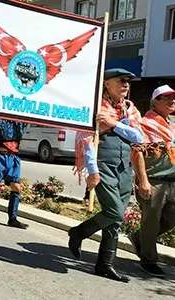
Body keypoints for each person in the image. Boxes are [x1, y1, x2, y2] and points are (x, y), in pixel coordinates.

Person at [69, 68, 143, 283]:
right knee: (114, 212)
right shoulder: (97, 108)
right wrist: (92, 171)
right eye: (121, 80)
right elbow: (87, 140)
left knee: (115, 221)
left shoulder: (130, 110)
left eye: (128, 81)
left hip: (123, 168)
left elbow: (138, 136)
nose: (126, 84)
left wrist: (113, 124)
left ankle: (105, 264)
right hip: (103, 166)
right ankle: (79, 232)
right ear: (106, 84)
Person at [128, 85, 175, 278]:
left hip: (172, 180)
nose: (172, 101)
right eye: (166, 98)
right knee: (151, 221)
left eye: (173, 98)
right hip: (153, 180)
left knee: (171, 219)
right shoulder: (145, 123)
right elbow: (137, 153)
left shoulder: (172, 124)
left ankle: (138, 238)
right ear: (155, 101)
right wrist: (143, 181)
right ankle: (148, 259)